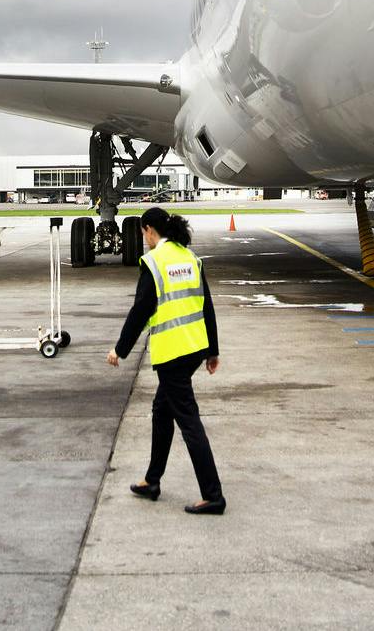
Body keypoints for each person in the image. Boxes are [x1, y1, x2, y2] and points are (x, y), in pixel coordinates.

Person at [107, 206, 225, 515]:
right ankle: (152, 480)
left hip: (172, 353)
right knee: (162, 411)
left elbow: (140, 311)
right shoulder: (189, 258)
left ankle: (213, 495)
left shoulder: (155, 262)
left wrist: (119, 350)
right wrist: (212, 350)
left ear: (148, 230)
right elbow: (206, 306)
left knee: (188, 422)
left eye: (143, 233)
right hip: (194, 349)